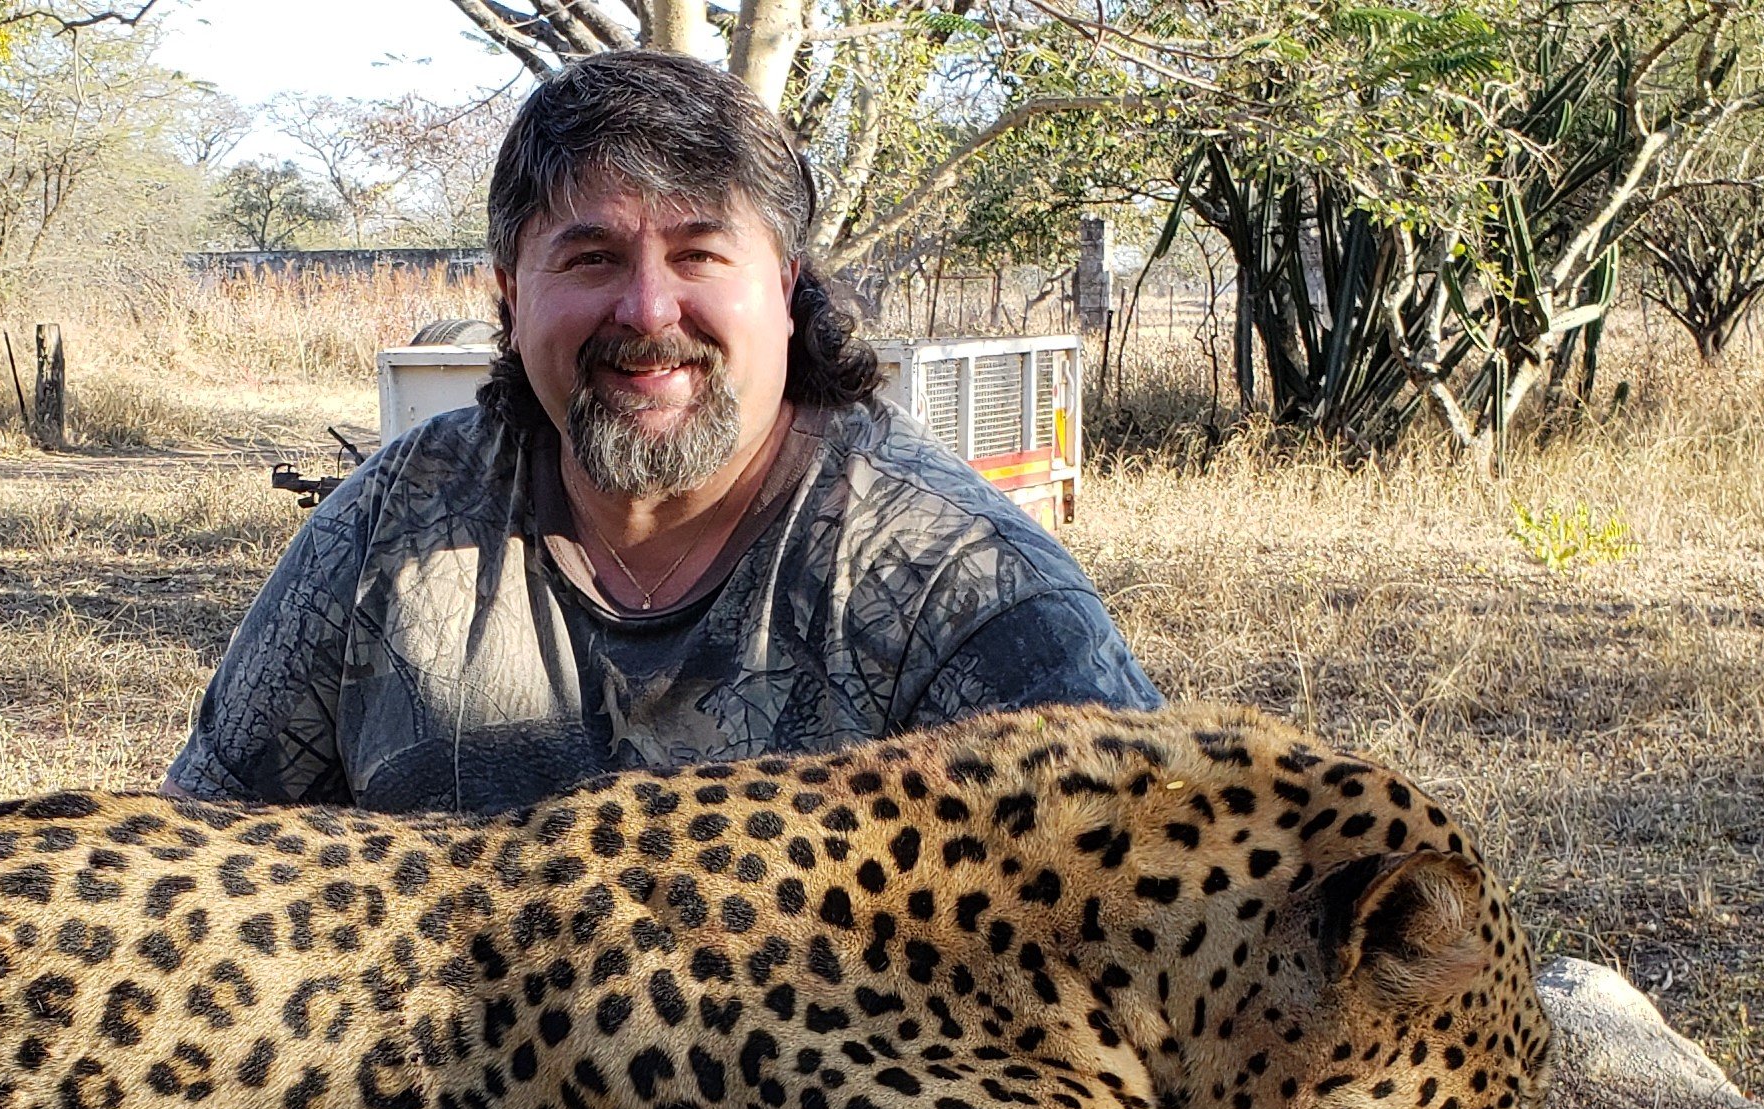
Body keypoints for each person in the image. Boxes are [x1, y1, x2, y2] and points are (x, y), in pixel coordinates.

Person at [162, 50, 1162, 815]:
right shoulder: (384, 529)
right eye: (591, 257)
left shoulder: (968, 584)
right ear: (510, 297)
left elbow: (1176, 948)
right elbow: (196, 862)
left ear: (787, 288)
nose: (647, 312)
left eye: (699, 253)